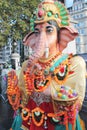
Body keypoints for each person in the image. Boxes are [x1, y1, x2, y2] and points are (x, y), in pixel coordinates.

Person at [7, 0, 86, 130]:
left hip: (56, 124)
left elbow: (73, 102)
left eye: (49, 30)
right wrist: (13, 90)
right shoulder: (28, 64)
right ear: (32, 38)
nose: (41, 38)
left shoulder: (73, 64)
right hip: (28, 122)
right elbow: (22, 100)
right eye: (37, 32)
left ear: (61, 35)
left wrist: (43, 87)